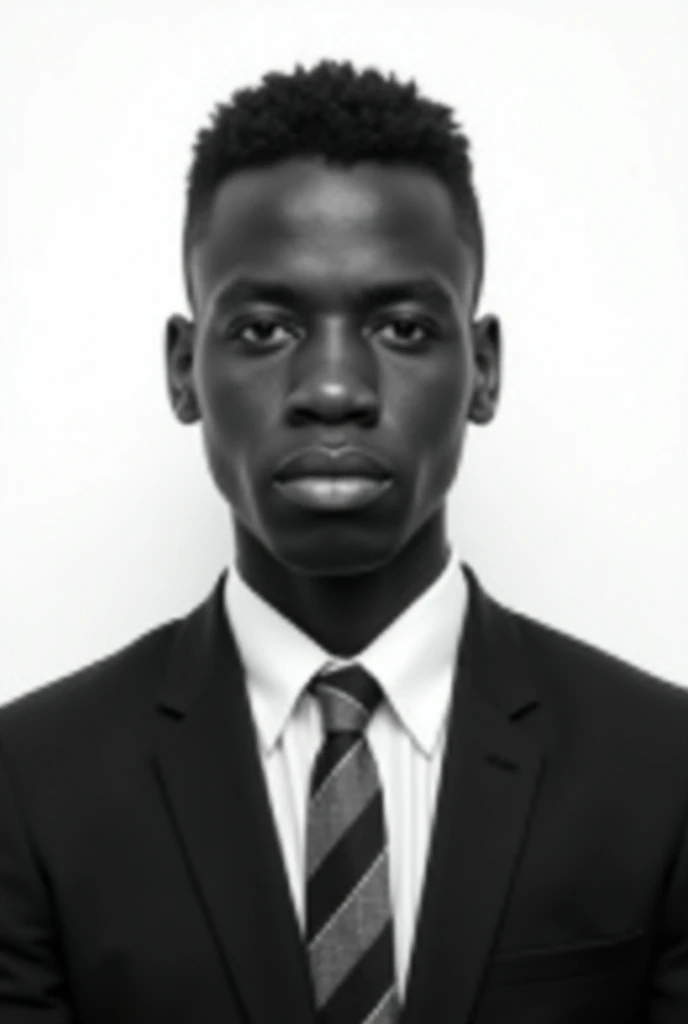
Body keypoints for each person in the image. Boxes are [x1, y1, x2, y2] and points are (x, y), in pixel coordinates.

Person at [0, 58, 686, 1024]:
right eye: (266, 328)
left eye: (403, 328)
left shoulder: (663, 772)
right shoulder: (29, 788)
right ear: (183, 371)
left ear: (483, 371)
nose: (332, 389)